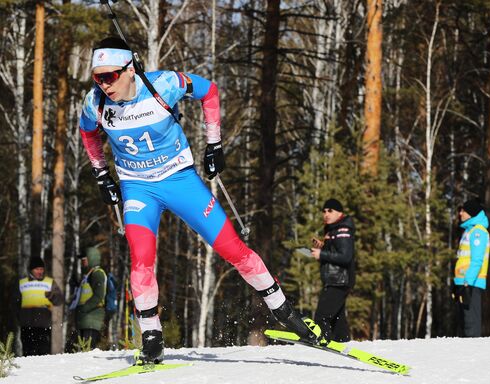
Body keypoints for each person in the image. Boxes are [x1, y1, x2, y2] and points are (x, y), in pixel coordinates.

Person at [78, 37, 316, 363]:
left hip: (180, 181)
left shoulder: (165, 84)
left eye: (110, 76)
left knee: (234, 250)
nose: (104, 85)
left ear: (130, 69)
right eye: (97, 77)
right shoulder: (95, 102)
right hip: (138, 189)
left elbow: (210, 92)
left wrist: (213, 143)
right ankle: (151, 337)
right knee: (141, 257)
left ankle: (286, 313)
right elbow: (88, 132)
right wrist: (102, 174)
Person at [310, 198, 355, 342]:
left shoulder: (343, 230)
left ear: (339, 213)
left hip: (339, 280)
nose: (326, 214)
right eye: (324, 211)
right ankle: (344, 343)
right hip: (335, 280)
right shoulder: (334, 229)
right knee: (337, 319)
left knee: (322, 316)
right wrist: (323, 247)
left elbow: (345, 256)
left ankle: (324, 343)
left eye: (330, 211)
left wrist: (321, 254)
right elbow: (337, 251)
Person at [453, 198, 490, 337]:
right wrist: (457, 282)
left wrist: (467, 282)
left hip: (472, 283)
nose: (460, 213)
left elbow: (477, 260)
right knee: (463, 324)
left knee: (471, 323)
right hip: (464, 283)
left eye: (463, 211)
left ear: (471, 213)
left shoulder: (478, 232)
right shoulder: (468, 231)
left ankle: (474, 354)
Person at [15, 257, 63, 356]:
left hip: (44, 325)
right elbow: (15, 303)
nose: (40, 271)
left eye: (41, 269)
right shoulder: (22, 283)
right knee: (28, 354)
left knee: (43, 355)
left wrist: (51, 296)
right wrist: (19, 317)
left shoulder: (49, 282)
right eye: (37, 269)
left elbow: (59, 300)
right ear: (31, 270)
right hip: (26, 325)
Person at [70, 247, 107, 349]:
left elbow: (98, 296)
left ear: (92, 259)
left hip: (92, 316)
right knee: (83, 348)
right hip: (86, 317)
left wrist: (84, 308)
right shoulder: (88, 274)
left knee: (88, 348)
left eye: (84, 260)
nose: (82, 262)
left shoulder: (97, 274)